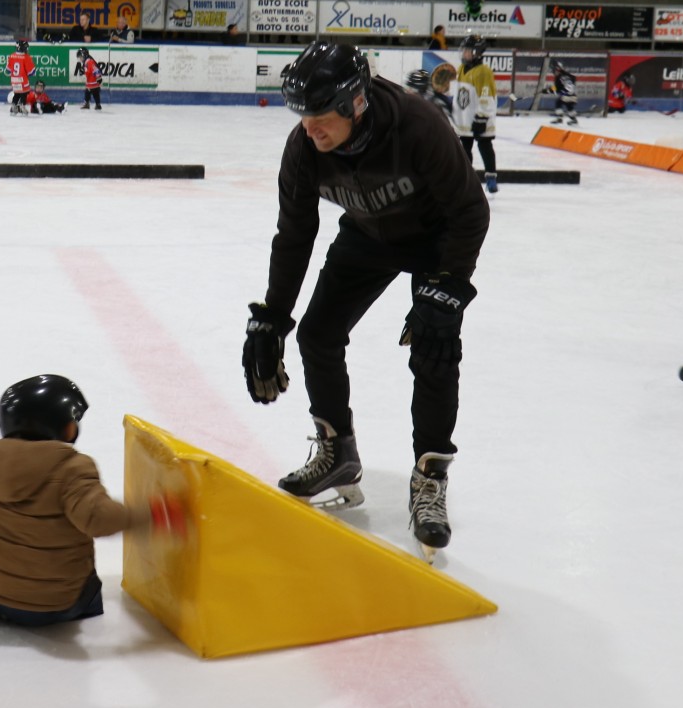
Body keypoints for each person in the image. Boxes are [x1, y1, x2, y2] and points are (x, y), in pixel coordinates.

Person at [243, 40, 489, 561]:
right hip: (367, 235)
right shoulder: (304, 148)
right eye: (302, 116)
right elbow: (294, 233)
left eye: (320, 117)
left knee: (434, 346)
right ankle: (338, 452)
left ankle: (430, 477)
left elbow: (470, 210)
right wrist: (273, 316)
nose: (309, 129)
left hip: (435, 240)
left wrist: (449, 287)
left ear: (355, 103)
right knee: (317, 334)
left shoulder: (418, 126)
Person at [0, 375, 179, 624]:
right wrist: (151, 514)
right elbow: (99, 518)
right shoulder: (72, 468)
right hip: (57, 605)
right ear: (66, 428)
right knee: (83, 582)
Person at [453, 34, 500, 194]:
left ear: (477, 53)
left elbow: (486, 95)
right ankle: (466, 178)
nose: (464, 53)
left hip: (480, 117)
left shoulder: (483, 71)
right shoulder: (461, 68)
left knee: (484, 144)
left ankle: (491, 178)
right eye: (464, 50)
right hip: (465, 118)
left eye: (468, 50)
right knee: (464, 147)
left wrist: (482, 117)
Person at [6, 37, 36, 116]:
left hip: (14, 80)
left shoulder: (12, 56)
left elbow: (8, 70)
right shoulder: (26, 57)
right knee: (24, 93)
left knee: (16, 93)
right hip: (23, 80)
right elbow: (31, 72)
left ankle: (13, 106)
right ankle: (22, 105)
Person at [549, 60, 579, 126]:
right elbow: (573, 79)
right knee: (569, 107)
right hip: (573, 96)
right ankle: (574, 119)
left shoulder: (559, 77)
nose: (554, 73)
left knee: (558, 103)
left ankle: (559, 118)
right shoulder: (568, 75)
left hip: (566, 96)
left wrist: (548, 90)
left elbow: (557, 88)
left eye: (554, 71)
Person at [78, 46, 103, 110]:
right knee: (92, 92)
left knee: (91, 92)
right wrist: (83, 71)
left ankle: (90, 104)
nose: (80, 59)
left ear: (84, 55)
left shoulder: (89, 61)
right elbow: (88, 70)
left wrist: (99, 77)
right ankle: (96, 104)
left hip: (93, 81)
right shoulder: (86, 61)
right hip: (91, 81)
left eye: (80, 57)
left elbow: (95, 69)